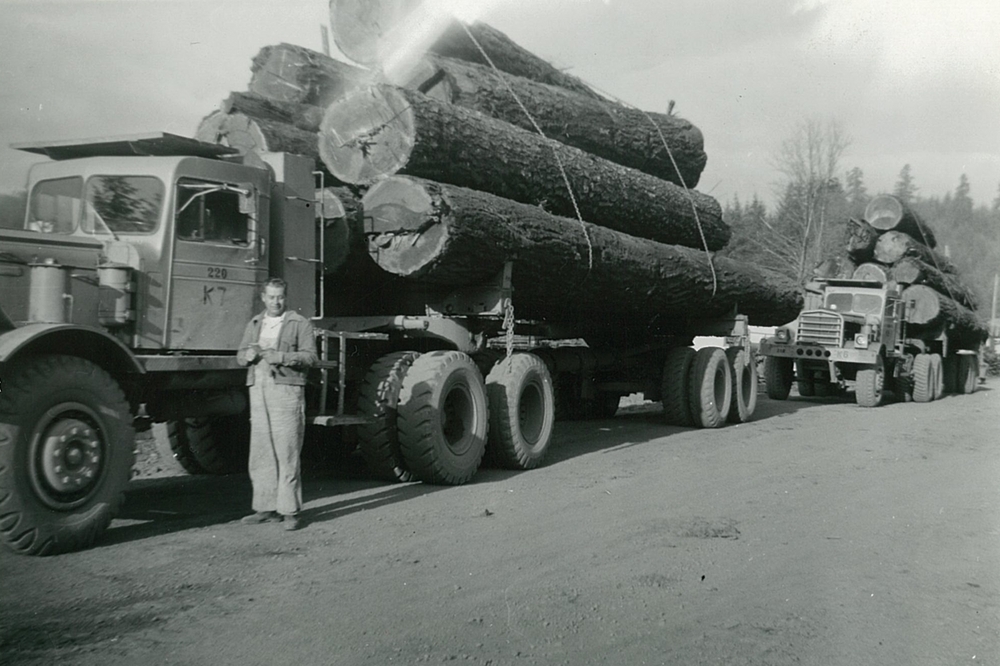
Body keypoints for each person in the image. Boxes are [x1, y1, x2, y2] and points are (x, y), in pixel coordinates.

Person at [237, 278, 318, 531]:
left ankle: (289, 511)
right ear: (263, 297)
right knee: (261, 450)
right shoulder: (255, 323)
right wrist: (247, 356)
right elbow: (240, 355)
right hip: (258, 387)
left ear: (286, 297)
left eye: (280, 297)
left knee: (287, 449)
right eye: (271, 297)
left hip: (287, 389)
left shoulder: (298, 323)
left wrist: (281, 357)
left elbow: (311, 357)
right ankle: (265, 508)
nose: (276, 302)